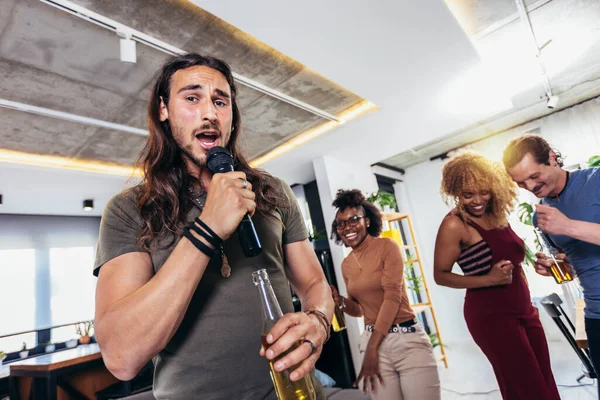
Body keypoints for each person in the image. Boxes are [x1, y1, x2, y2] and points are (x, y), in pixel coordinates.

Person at [93, 53, 333, 400]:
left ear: (232, 116)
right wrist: (207, 229)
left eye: (221, 101)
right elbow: (121, 357)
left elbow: (314, 283)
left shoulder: (274, 192)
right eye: (192, 98)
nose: (210, 113)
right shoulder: (129, 210)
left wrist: (319, 321)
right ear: (164, 109)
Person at [434, 151, 559, 400]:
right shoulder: (455, 224)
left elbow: (511, 257)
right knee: (528, 389)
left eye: (484, 191)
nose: (477, 200)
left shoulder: (496, 214)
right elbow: (441, 275)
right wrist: (488, 279)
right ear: (455, 190)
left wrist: (536, 263)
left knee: (544, 381)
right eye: (468, 194)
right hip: (491, 316)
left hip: (524, 309)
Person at [503, 134, 600, 397]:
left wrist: (568, 226)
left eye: (534, 176)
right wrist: (555, 265)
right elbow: (572, 266)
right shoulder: (541, 216)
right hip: (595, 314)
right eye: (520, 182)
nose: (529, 185)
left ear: (552, 158)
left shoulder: (596, 180)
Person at [330, 189, 441, 400]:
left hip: (406, 340)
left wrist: (373, 348)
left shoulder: (387, 247)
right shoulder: (346, 265)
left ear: (368, 221)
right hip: (373, 340)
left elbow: (393, 296)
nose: (347, 227)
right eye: (341, 224)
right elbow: (360, 309)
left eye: (353, 220)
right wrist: (341, 302)